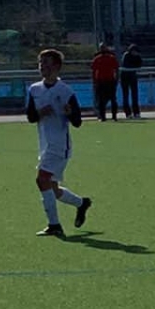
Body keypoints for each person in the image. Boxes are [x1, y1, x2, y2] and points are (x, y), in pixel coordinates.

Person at [25, 49, 92, 238]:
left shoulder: (66, 91)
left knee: (42, 179)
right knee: (52, 189)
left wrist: (70, 113)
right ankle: (81, 203)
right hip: (45, 144)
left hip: (60, 145)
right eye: (40, 63)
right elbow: (30, 117)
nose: (42, 66)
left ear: (56, 66)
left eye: (46, 63)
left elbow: (77, 122)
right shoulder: (34, 89)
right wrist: (40, 113)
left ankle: (54, 225)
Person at [90, 44, 120, 121]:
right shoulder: (97, 59)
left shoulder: (111, 58)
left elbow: (116, 69)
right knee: (101, 100)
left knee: (112, 99)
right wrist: (95, 81)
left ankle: (114, 116)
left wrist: (116, 79)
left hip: (109, 81)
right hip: (101, 81)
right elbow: (94, 71)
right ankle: (103, 116)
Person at [120, 42, 145, 119]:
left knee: (135, 96)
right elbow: (126, 65)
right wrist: (134, 66)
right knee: (126, 96)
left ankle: (136, 112)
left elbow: (140, 64)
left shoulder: (138, 57)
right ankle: (128, 113)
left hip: (133, 78)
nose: (135, 53)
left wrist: (135, 66)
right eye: (134, 51)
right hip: (124, 78)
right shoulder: (126, 55)